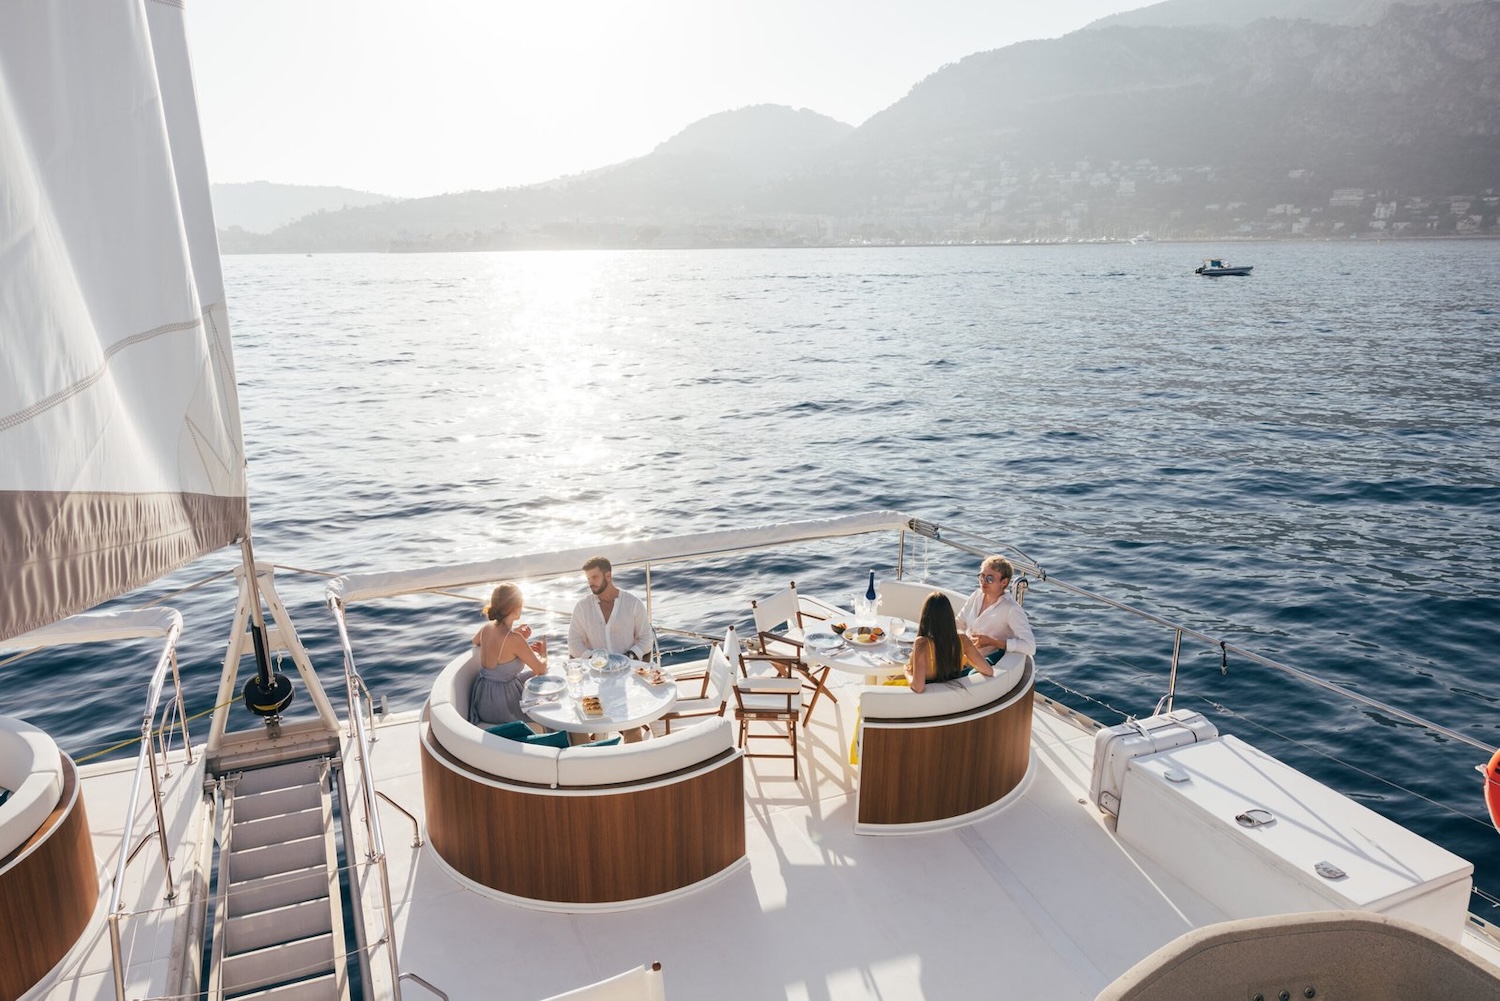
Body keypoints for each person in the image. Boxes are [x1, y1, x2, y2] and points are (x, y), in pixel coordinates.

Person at [467, 581, 548, 726]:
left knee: (531, 678)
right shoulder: (514, 639)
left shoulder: (486, 628)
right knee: (548, 694)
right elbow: (539, 669)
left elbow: (476, 641)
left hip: (483, 697)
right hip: (503, 705)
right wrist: (543, 654)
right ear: (516, 610)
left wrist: (514, 632)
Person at [567, 555, 654, 660]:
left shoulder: (633, 603)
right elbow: (573, 642)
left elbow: (646, 638)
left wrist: (630, 656)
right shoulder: (582, 607)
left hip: (628, 668)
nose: (590, 583)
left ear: (608, 576)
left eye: (594, 577)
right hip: (596, 671)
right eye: (588, 579)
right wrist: (592, 659)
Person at [905, 591, 992, 693]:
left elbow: (918, 688)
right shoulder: (962, 640)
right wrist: (964, 659)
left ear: (926, 616)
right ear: (950, 616)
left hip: (928, 701)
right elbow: (988, 671)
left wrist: (907, 673)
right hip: (954, 696)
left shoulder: (922, 644)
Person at [956, 555, 1036, 665]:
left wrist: (992, 642)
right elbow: (959, 623)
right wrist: (963, 640)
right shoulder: (976, 596)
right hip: (960, 656)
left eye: (990, 578)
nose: (983, 581)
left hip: (982, 664)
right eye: (982, 576)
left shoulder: (1012, 609)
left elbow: (1030, 647)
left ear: (1004, 582)